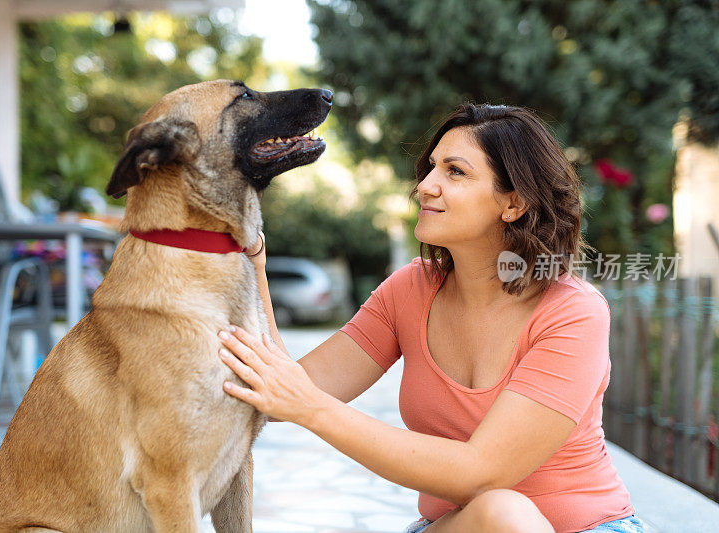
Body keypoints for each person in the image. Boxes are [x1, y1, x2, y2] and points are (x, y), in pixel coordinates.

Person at [216, 103, 646, 533]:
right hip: (463, 528)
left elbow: (480, 473)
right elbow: (285, 387)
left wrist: (312, 409)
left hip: (588, 526)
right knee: (500, 515)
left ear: (513, 202)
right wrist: (254, 265)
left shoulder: (573, 312)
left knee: (505, 512)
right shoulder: (410, 290)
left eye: (454, 172)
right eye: (431, 168)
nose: (425, 186)